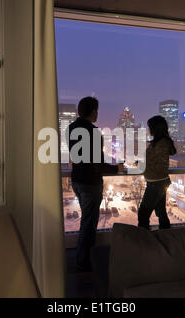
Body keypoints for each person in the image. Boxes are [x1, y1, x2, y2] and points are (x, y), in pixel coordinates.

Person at [68, 97, 123, 271]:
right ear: (93, 111)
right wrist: (117, 169)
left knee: (87, 220)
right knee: (89, 223)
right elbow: (96, 163)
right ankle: (83, 261)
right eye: (97, 110)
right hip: (90, 183)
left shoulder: (71, 129)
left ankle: (85, 258)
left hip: (77, 179)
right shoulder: (92, 132)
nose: (97, 113)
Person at [137, 115, 176, 230]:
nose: (149, 130)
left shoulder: (162, 144)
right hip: (157, 183)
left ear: (156, 128)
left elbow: (160, 168)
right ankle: (166, 237)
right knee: (161, 213)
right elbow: (153, 161)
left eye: (150, 127)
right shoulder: (158, 143)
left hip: (156, 183)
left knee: (143, 214)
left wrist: (142, 167)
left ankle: (144, 241)